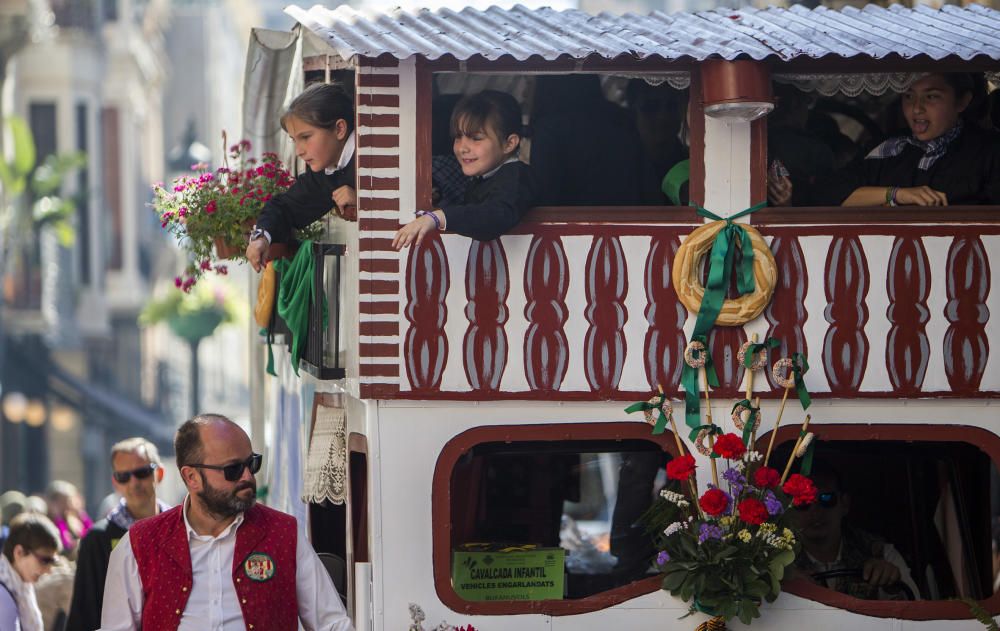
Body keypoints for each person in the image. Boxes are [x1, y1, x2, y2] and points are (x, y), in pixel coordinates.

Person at [98, 414, 353, 631]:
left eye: (252, 464)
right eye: (233, 470)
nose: (248, 477)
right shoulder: (140, 543)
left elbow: (331, 623)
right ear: (192, 477)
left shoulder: (284, 533)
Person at [771, 73, 1000, 207]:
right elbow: (827, 194)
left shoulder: (989, 151)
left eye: (931, 97)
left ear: (962, 102)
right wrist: (896, 194)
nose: (916, 108)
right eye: (908, 96)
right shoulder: (887, 149)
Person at [392, 89, 538, 249]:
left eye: (476, 138)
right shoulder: (481, 177)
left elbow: (496, 216)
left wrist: (438, 217)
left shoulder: (517, 177)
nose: (462, 148)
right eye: (458, 137)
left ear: (509, 144)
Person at [246, 82, 357, 272]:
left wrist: (362, 199)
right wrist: (260, 238)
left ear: (339, 129)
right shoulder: (324, 176)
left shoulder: (376, 150)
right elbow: (284, 208)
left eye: (305, 137)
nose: (299, 151)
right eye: (294, 140)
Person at [66, 438, 170, 631]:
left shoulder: (181, 530)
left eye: (142, 473)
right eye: (124, 476)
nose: (134, 482)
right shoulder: (97, 539)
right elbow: (84, 612)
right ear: (115, 482)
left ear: (160, 473)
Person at [792, 462, 920, 601]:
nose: (815, 512)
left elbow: (917, 607)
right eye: (803, 502)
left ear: (845, 503)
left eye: (826, 499)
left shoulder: (880, 553)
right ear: (790, 510)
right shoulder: (777, 562)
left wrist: (892, 584)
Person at [0, 512, 62, 631]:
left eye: (52, 561)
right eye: (44, 560)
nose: (49, 570)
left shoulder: (21, 586)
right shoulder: (3, 597)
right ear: (19, 553)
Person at [45, 481, 91, 561]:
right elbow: (64, 546)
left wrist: (82, 516)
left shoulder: (74, 521)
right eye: (65, 501)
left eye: (70, 501)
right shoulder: (47, 522)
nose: (70, 505)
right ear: (54, 503)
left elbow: (90, 534)